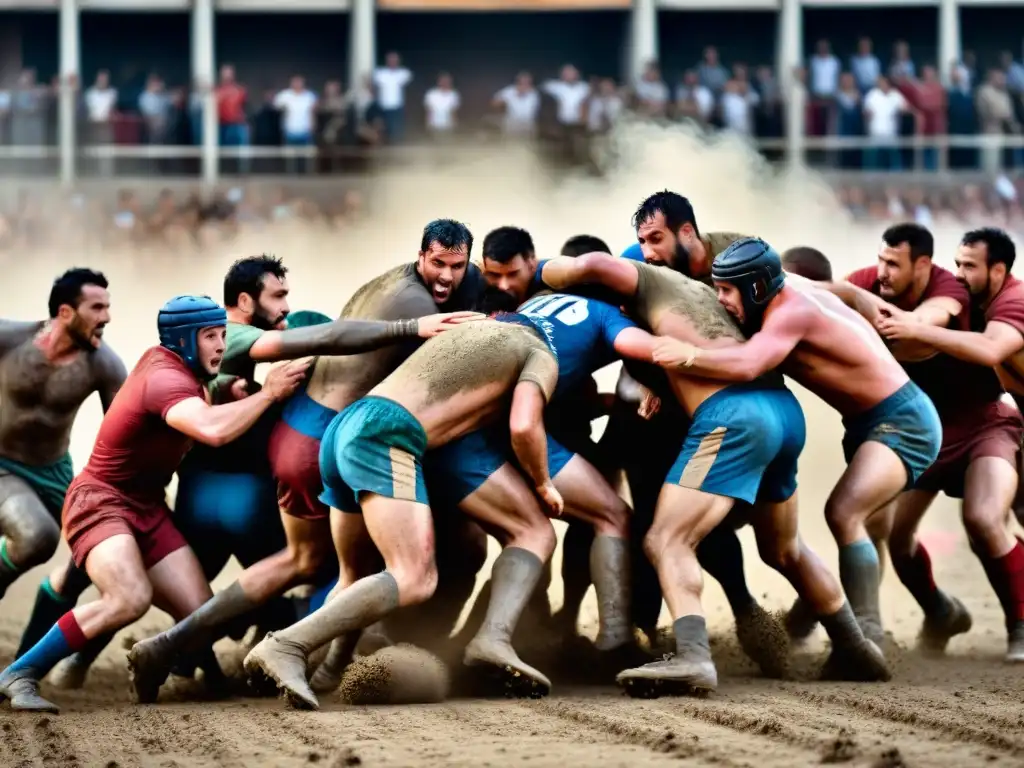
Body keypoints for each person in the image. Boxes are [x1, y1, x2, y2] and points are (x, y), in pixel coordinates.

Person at [126, 219, 486, 703]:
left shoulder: (397, 282)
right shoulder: (417, 306)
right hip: (322, 440)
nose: (446, 275)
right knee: (320, 562)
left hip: (303, 427)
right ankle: (283, 650)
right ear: (421, 257)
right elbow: (331, 341)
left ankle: (180, 645)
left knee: (315, 562)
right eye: (438, 264)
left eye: (456, 266)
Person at [535, 245, 890, 696]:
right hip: (784, 415)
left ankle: (693, 658)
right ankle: (854, 647)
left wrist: (542, 269)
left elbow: (597, 268)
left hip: (733, 421)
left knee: (665, 539)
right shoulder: (713, 299)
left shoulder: (647, 296)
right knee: (785, 549)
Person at [0, 295, 309, 713]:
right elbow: (211, 430)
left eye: (223, 334)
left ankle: (204, 675)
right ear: (183, 341)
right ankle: (20, 672)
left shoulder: (186, 370)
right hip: (101, 503)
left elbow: (202, 398)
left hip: (147, 507)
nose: (222, 345)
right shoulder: (164, 377)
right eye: (210, 336)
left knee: (202, 614)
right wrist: (269, 393)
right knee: (128, 597)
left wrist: (226, 388)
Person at [243, 314, 563, 710]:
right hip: (386, 435)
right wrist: (543, 481)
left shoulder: (472, 334)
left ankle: (329, 669)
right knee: (414, 577)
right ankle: (287, 645)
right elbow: (523, 424)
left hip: (345, 427)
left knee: (353, 575)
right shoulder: (540, 351)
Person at [652, 238, 942, 658]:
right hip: (870, 420)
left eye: (727, 291)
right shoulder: (792, 285)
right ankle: (862, 629)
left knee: (844, 513)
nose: (720, 300)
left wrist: (688, 355)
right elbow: (838, 290)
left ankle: (866, 638)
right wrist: (860, 298)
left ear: (755, 289)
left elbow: (751, 362)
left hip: (904, 422)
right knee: (820, 534)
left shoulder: (791, 312)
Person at [871, 228, 1024, 661]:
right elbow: (842, 288)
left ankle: (1020, 626)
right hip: (935, 433)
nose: (959, 274)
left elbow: (991, 350)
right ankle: (940, 612)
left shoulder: (1013, 302)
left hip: (992, 424)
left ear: (998, 270)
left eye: (969, 266)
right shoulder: (938, 288)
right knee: (898, 536)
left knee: (984, 519)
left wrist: (916, 330)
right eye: (956, 264)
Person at [1, 269, 126, 666]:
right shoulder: (9, 339)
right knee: (38, 536)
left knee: (97, 552)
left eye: (108, 306)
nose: (107, 316)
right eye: (97, 307)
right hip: (2, 463)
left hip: (54, 472)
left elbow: (127, 431)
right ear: (66, 312)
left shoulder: (103, 365)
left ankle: (23, 666)